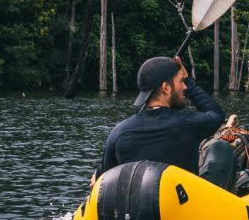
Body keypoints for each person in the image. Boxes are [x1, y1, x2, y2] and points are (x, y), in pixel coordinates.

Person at [96, 56, 225, 178]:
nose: (185, 86)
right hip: (181, 201)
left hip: (136, 201)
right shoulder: (188, 125)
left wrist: (96, 176)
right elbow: (216, 113)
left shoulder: (117, 133)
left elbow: (103, 176)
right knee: (224, 151)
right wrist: (189, 80)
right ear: (166, 88)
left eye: (185, 82)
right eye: (181, 81)